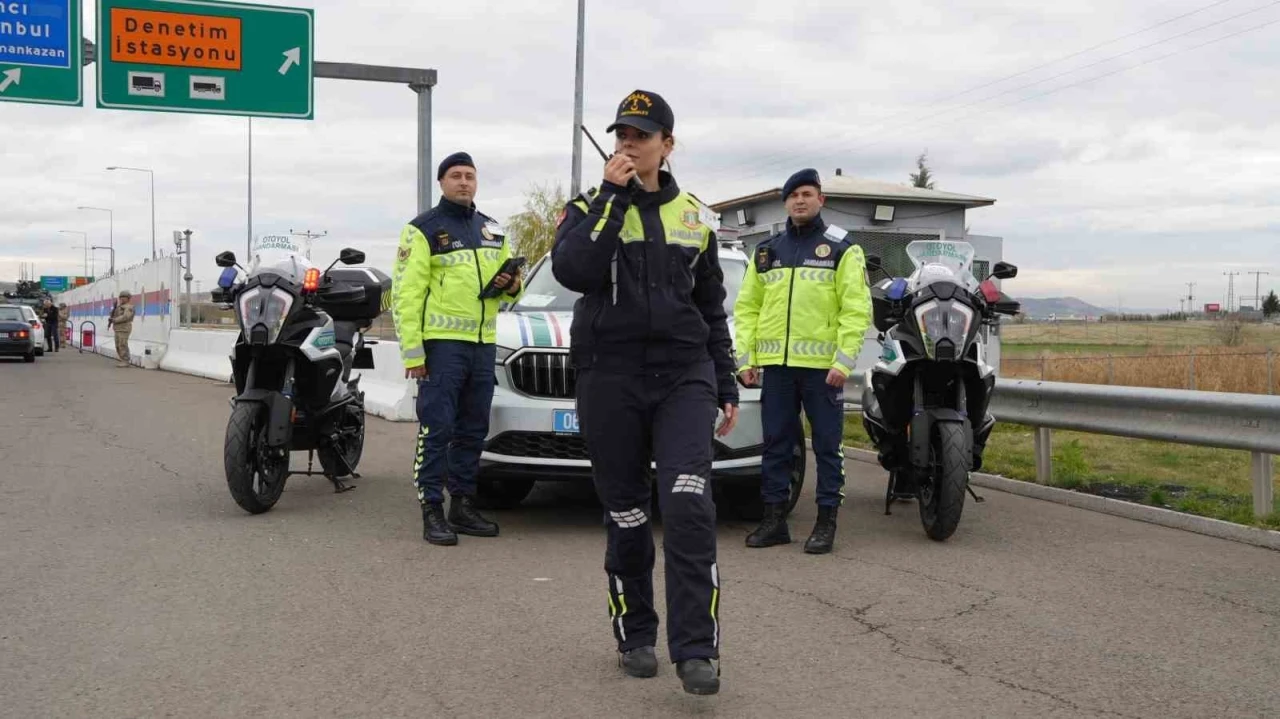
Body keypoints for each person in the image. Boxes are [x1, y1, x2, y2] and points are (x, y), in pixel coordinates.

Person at [551, 89, 738, 696]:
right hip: (609, 375)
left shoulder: (696, 218)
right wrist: (612, 195)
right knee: (628, 512)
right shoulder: (587, 206)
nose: (628, 144)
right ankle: (635, 633)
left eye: (641, 135)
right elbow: (574, 271)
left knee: (687, 504)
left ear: (667, 144)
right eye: (621, 135)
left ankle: (696, 651)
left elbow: (711, 310)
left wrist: (726, 378)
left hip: (685, 375)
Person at [733, 168, 873, 554]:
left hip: (822, 370)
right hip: (776, 368)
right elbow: (747, 308)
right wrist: (745, 358)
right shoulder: (767, 251)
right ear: (785, 202)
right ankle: (775, 520)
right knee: (776, 444)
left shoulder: (843, 248)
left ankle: (826, 523)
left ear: (820, 199)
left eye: (807, 194)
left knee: (828, 446)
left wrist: (843, 362)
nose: (799, 201)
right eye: (793, 195)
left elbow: (856, 309)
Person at [391, 151, 524, 547]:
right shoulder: (422, 229)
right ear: (442, 182)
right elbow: (406, 294)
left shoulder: (492, 230)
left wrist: (511, 284)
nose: (464, 182)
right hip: (441, 347)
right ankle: (431, 507)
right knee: (437, 429)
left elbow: (512, 289)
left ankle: (462, 504)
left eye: (470, 176)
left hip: (484, 345)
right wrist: (413, 354)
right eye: (455, 176)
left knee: (473, 429)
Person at [107, 290, 135, 368]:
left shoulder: (129, 307)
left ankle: (125, 360)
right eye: (121, 297)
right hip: (117, 328)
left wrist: (114, 320)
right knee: (117, 345)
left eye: (124, 297)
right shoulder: (119, 307)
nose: (122, 299)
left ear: (128, 298)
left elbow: (126, 317)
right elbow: (114, 315)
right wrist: (112, 313)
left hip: (124, 328)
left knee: (123, 344)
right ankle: (122, 359)